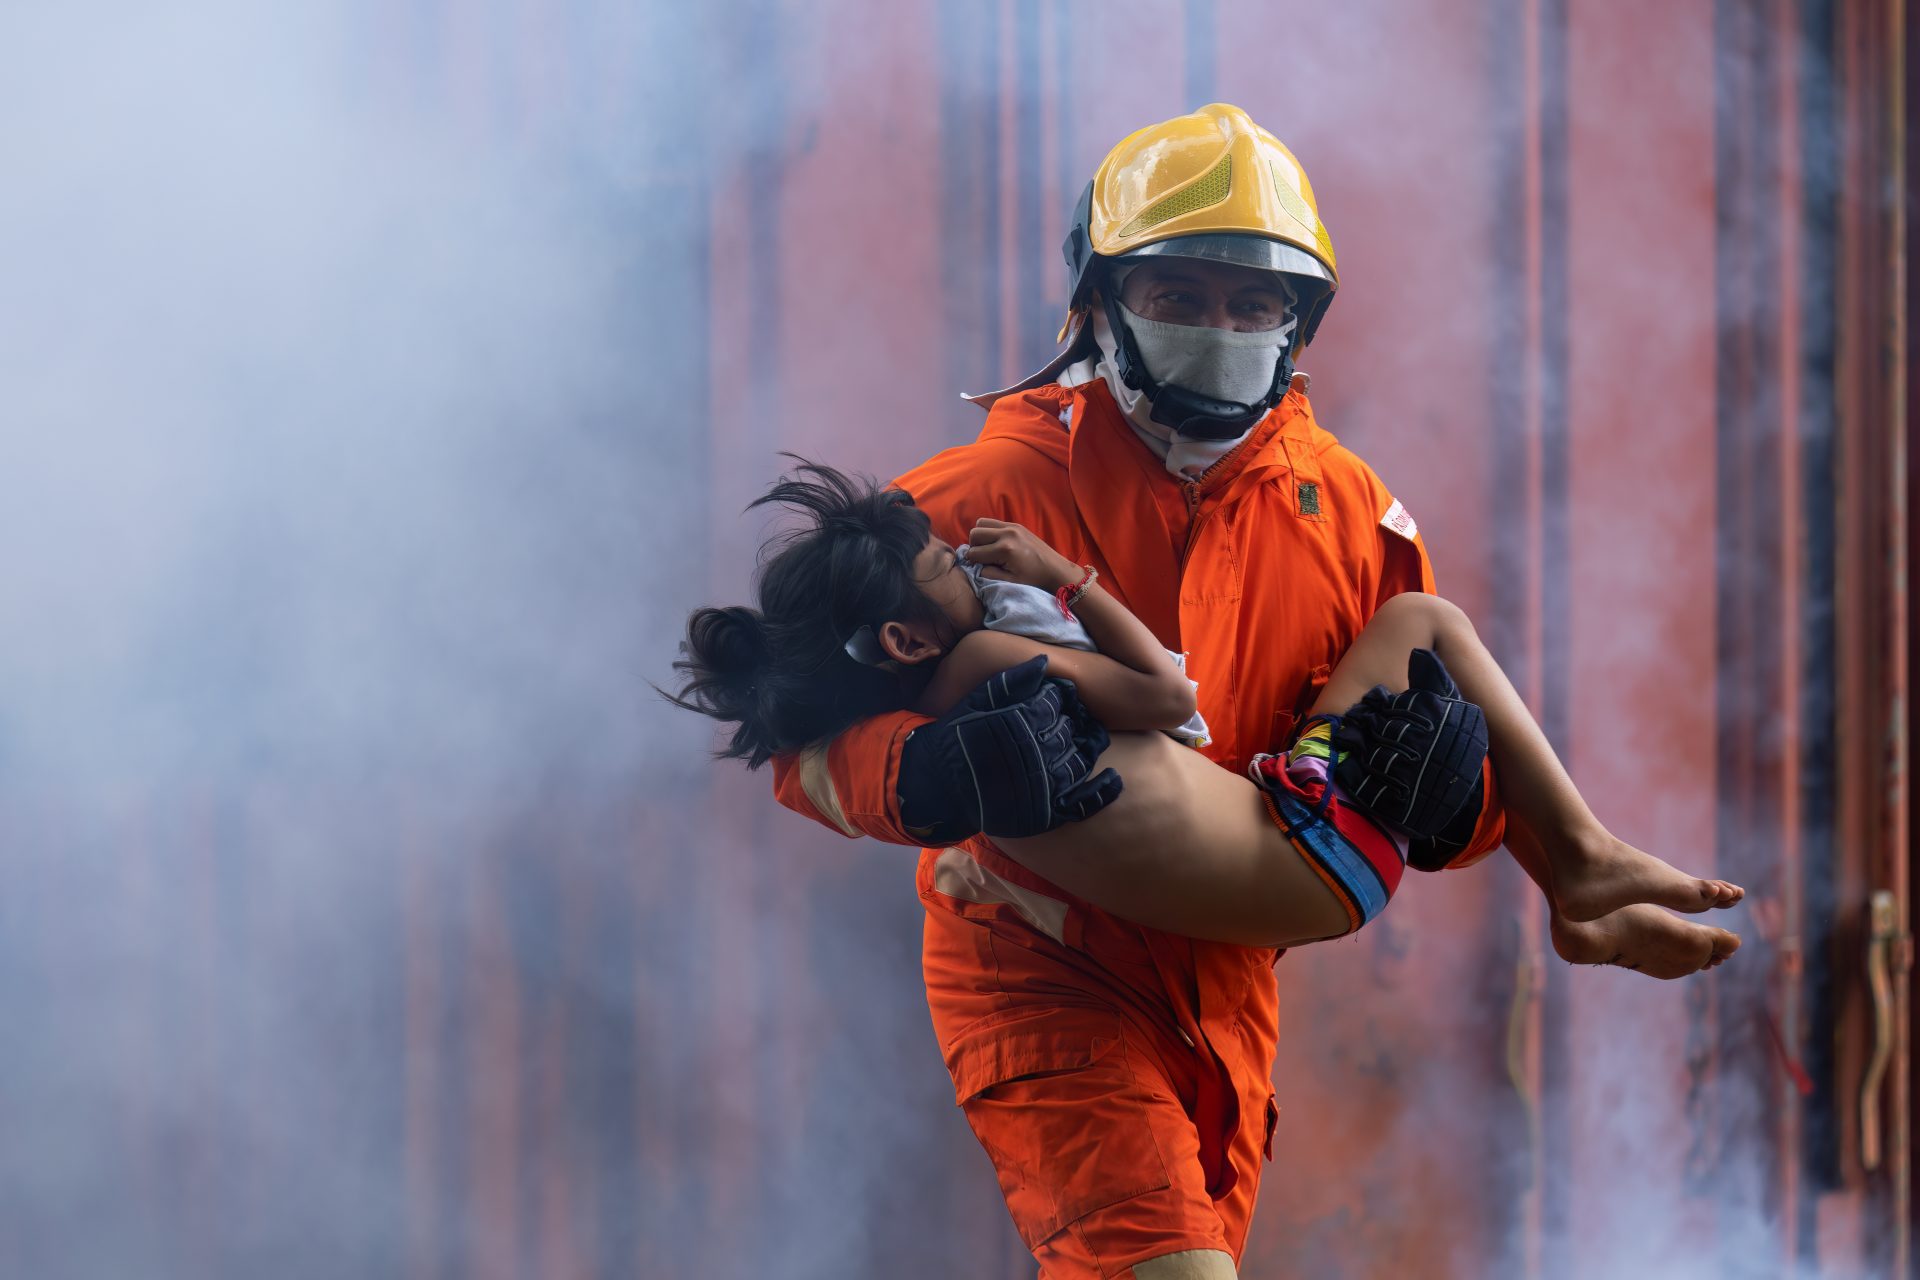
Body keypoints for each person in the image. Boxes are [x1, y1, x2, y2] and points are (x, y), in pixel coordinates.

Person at [748, 104, 1744, 1278]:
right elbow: (794, 743)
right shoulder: (972, 503)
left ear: (1296, 323)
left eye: (1251, 303)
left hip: (1232, 990)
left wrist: (1454, 798)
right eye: (1178, 294)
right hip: (1047, 973)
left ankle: (1584, 874)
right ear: (1101, 304)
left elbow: (1424, 774)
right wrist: (920, 775)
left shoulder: (1349, 514)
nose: (1217, 326)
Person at [671, 463, 1745, 956]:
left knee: (1410, 628)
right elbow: (1170, 696)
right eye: (947, 564)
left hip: (1311, 860)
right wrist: (1067, 576)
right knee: (1424, 619)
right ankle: (1579, 859)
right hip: (1316, 840)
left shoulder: (942, 697)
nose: (967, 557)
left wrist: (1456, 807)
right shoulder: (986, 654)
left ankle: (1576, 888)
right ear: (906, 641)